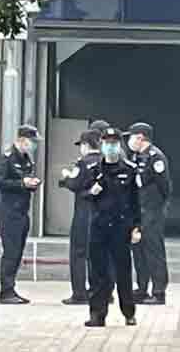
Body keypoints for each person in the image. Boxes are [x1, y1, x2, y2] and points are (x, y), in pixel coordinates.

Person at [76, 127, 142, 327]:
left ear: (119, 145)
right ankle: (97, 314)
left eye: (114, 143)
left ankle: (128, 312)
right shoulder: (94, 169)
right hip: (99, 227)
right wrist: (92, 191)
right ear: (102, 144)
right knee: (98, 272)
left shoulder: (129, 170)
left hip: (121, 228)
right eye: (107, 143)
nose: (110, 147)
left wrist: (137, 227)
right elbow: (82, 193)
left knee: (123, 271)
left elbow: (135, 202)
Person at [0, 124, 42, 305]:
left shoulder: (26, 159)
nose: (34, 146)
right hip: (8, 211)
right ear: (22, 140)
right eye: (32, 142)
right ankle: (6, 291)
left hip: (22, 210)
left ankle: (11, 288)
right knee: (11, 252)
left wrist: (32, 183)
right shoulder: (7, 158)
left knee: (18, 252)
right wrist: (22, 183)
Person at [125, 122, 171, 305]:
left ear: (140, 137)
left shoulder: (155, 157)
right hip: (138, 211)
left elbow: (164, 186)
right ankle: (142, 288)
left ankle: (159, 291)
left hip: (152, 210)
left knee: (154, 250)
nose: (129, 141)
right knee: (138, 249)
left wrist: (157, 207)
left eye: (131, 137)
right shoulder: (137, 157)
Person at [59, 128, 103, 305]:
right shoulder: (106, 161)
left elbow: (74, 183)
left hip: (84, 212)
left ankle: (79, 293)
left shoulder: (82, 163)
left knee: (78, 252)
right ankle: (98, 290)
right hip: (102, 213)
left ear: (85, 145)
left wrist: (66, 177)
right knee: (98, 254)